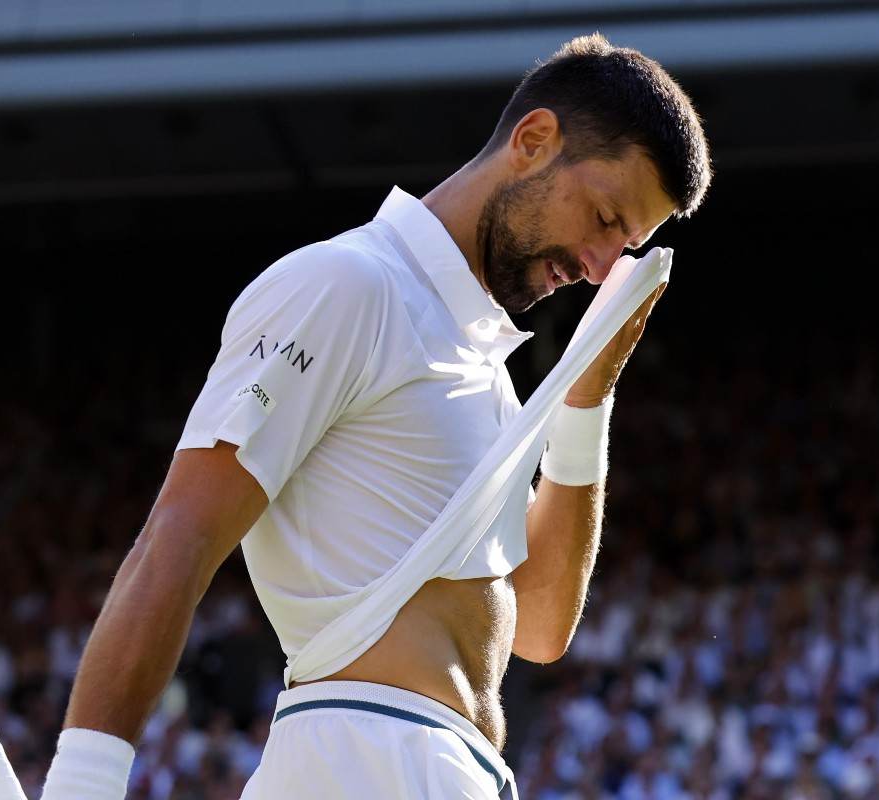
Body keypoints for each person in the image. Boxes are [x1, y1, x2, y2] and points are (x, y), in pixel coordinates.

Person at [38, 32, 712, 799]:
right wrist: (82, 785)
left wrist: (588, 398)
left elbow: (539, 626)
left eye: (625, 247)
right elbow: (177, 539)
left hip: (446, 767)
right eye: (603, 217)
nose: (599, 268)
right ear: (533, 141)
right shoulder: (346, 284)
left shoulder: (486, 370)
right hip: (367, 755)